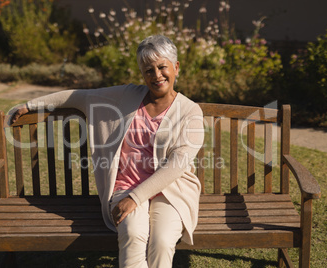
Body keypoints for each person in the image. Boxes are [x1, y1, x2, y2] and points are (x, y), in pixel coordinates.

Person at [10, 35, 204, 268]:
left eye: (162, 67)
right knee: (133, 234)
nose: (156, 75)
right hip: (125, 187)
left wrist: (137, 198)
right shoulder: (126, 97)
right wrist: (30, 105)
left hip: (171, 191)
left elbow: (178, 164)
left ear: (176, 67)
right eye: (148, 70)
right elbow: (78, 97)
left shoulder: (191, 111)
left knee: (162, 241)